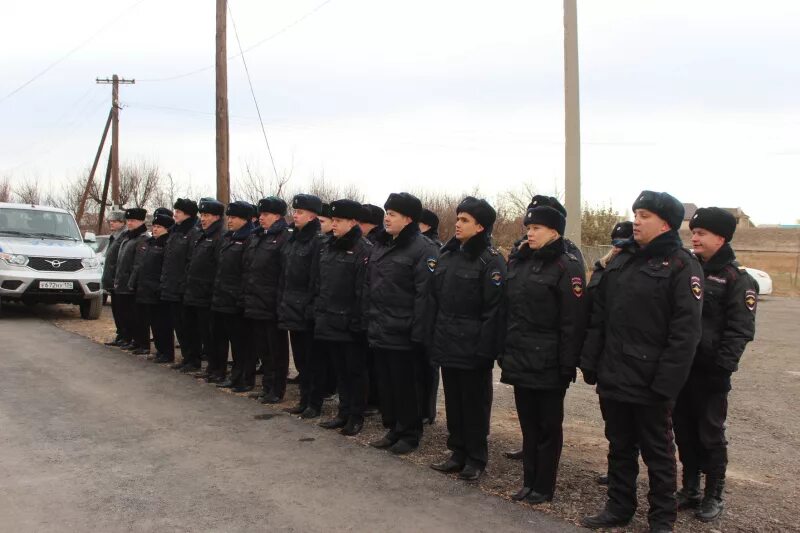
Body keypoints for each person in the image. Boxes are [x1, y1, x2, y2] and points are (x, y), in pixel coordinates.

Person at [580, 191, 703, 533]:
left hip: (651, 381)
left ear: (666, 223)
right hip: (614, 374)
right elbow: (599, 317)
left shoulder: (682, 265)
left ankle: (661, 519)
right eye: (635, 213)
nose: (636, 220)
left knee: (658, 455)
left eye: (645, 215)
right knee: (619, 446)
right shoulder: (622, 260)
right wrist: (591, 361)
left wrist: (666, 384)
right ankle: (619, 506)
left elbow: (686, 334)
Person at [674, 207, 757, 523]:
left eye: (702, 233)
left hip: (711, 372)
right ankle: (690, 488)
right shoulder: (689, 270)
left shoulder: (738, 278)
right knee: (683, 429)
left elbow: (740, 329)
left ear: (721, 238)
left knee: (710, 434)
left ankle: (713, 494)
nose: (694, 237)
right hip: (683, 369)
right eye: (693, 232)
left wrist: (722, 369)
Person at [500, 205, 587, 503]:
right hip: (522, 358)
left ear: (554, 231)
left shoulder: (566, 265)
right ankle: (529, 481)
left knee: (548, 426)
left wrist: (567, 363)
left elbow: (572, 321)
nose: (530, 232)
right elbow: (511, 312)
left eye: (536, 228)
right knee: (528, 425)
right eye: (529, 227)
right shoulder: (521, 262)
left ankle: (544, 485)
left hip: (549, 362)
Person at [428, 197, 505, 481]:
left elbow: (493, 310)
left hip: (473, 347)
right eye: (458, 218)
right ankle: (457, 451)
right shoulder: (448, 255)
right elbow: (436, 299)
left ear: (480, 226)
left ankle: (476, 457)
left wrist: (485, 350)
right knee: (454, 402)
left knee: (475, 404)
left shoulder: (490, 260)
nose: (458, 224)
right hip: (448, 341)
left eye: (465, 220)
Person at [365, 192, 438, 455]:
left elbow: (425, 296)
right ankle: (394, 427)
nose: (386, 218)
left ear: (408, 219)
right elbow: (371, 286)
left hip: (404, 332)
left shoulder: (424, 249)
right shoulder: (382, 245)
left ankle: (409, 433)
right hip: (381, 327)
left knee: (407, 386)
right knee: (387, 384)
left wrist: (418, 334)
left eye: (392, 214)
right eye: (386, 213)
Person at [314, 199, 372, 436]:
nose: (334, 224)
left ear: (352, 222)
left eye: (338, 221)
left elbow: (364, 290)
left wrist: (358, 322)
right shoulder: (329, 246)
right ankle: (343, 412)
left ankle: (356, 416)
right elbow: (322, 283)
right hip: (330, 320)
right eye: (333, 220)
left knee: (355, 372)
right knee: (340, 371)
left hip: (351, 323)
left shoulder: (363, 249)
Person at [589, 220, 634, 486]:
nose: (618, 248)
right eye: (615, 243)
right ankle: (618, 475)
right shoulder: (603, 268)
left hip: (633, 359)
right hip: (608, 357)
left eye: (623, 243)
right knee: (614, 426)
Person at [278, 194, 324, 410]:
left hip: (306, 309)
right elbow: (285, 273)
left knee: (312, 360)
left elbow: (316, 279)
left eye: (300, 212)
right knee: (300, 359)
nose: (295, 215)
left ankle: (314, 402)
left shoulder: (317, 241)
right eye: (294, 211)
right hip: (291, 306)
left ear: (312, 215)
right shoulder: (293, 238)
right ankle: (304, 399)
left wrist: (310, 307)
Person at [240, 197, 290, 396]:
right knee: (263, 348)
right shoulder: (257, 236)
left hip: (271, 303)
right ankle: (267, 386)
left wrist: (279, 301)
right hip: (255, 301)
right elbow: (247, 268)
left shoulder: (284, 237)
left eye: (266, 214)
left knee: (276, 349)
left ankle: (277, 389)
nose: (261, 218)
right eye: (260, 214)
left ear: (277, 216)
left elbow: (284, 273)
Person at [211, 201, 255, 388]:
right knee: (226, 338)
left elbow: (247, 271)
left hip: (236, 299)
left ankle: (243, 378)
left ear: (245, 219)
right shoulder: (228, 238)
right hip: (223, 297)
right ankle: (234, 375)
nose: (230, 220)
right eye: (229, 216)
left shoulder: (249, 239)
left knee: (241, 343)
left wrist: (241, 297)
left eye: (234, 217)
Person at [180, 199, 225, 374]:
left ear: (216, 216)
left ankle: (215, 368)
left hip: (207, 294)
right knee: (194, 330)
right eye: (201, 215)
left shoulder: (219, 236)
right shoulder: (201, 235)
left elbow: (218, 268)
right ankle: (193, 361)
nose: (202, 219)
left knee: (211, 336)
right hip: (194, 292)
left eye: (206, 215)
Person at [161, 199, 201, 369]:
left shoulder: (193, 231)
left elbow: (191, 261)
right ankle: (186, 358)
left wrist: (184, 283)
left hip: (184, 287)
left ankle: (194, 359)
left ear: (188, 214)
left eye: (178, 211)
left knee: (189, 327)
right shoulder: (175, 231)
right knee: (179, 325)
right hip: (172, 285)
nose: (175, 214)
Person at [130, 212, 174, 362]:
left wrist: (160, 286)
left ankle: (167, 353)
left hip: (158, 290)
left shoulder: (167, 244)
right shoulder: (150, 243)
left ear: (167, 228)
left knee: (163, 324)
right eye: (154, 226)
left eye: (159, 227)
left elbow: (166, 268)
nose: (155, 229)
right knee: (154, 324)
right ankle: (160, 351)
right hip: (147, 289)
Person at [112, 207, 149, 353]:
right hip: (122, 283)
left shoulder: (142, 238)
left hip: (132, 285)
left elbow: (138, 264)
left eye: (133, 220)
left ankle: (141, 342)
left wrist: (131, 283)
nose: (130, 223)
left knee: (137, 316)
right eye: (128, 220)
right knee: (126, 314)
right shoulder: (128, 237)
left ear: (141, 221)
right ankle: (131, 339)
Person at [102, 210, 128, 346]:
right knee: (116, 311)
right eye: (110, 221)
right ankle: (120, 334)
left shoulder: (123, 237)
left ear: (122, 223)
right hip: (112, 279)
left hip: (118, 280)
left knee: (122, 311)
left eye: (115, 221)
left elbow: (120, 261)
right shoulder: (114, 236)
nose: (111, 223)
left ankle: (125, 335)